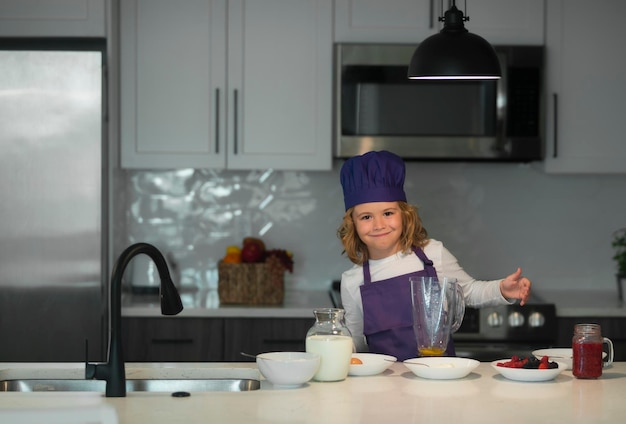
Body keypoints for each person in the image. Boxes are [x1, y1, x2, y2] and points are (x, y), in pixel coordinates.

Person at [337, 150, 532, 361]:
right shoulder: (352, 281)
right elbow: (355, 341)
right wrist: (332, 345)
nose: (379, 225)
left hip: (439, 382)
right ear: (353, 224)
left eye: (388, 213)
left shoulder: (432, 254)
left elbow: (469, 292)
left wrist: (502, 289)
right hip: (384, 387)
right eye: (366, 217)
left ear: (404, 214)